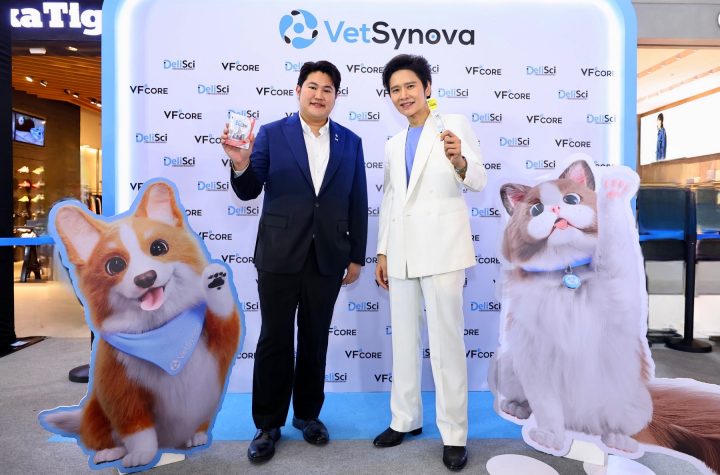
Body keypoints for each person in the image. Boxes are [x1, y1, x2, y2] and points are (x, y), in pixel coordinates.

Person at [221, 60, 368, 463]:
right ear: (298, 90)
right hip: (279, 254)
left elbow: (357, 200)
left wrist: (356, 255)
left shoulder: (350, 141)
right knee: (275, 339)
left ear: (335, 96)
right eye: (313, 87)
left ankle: (307, 415)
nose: (319, 95)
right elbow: (249, 190)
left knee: (316, 339)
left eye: (328, 89)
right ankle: (268, 424)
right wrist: (240, 162)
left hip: (328, 255)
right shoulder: (271, 134)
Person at [373, 54, 487, 471]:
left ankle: (454, 434)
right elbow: (390, 199)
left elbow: (479, 180)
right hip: (401, 253)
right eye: (395, 90)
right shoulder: (392, 143)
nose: (403, 95)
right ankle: (405, 419)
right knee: (403, 342)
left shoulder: (452, 125)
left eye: (410, 86)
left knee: (445, 345)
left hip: (442, 250)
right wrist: (383, 250)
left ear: (427, 88)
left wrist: (460, 161)